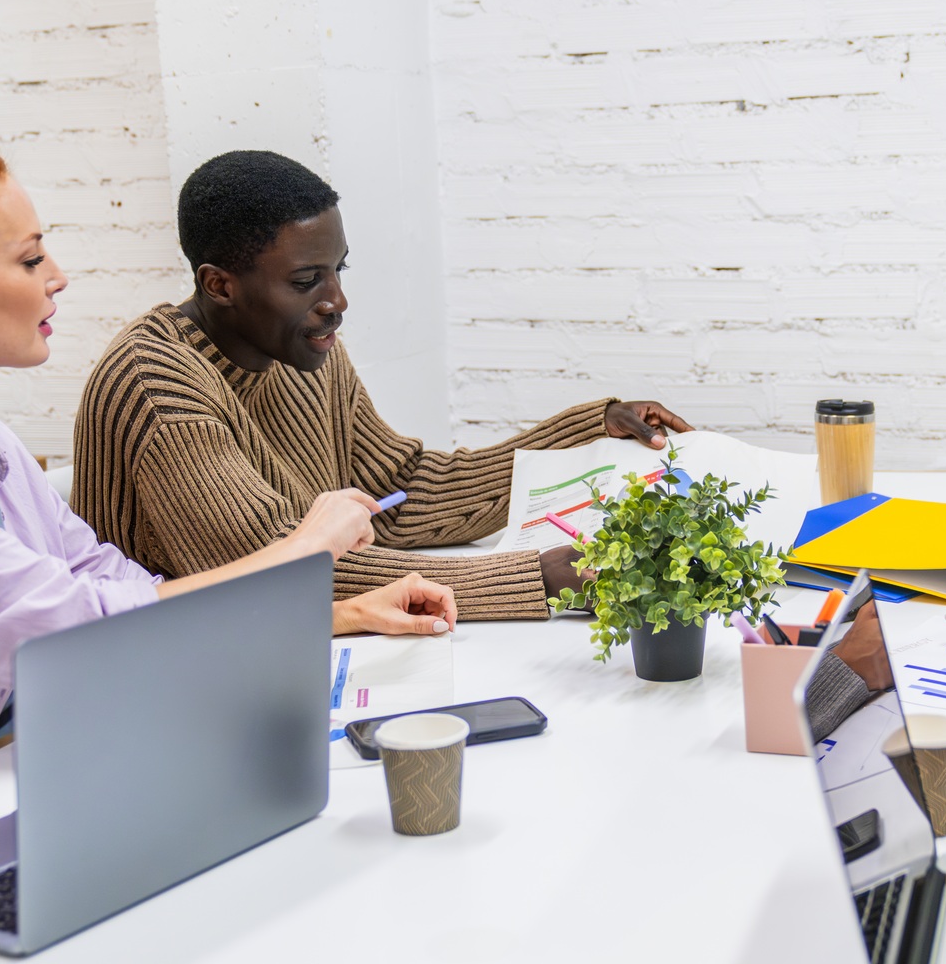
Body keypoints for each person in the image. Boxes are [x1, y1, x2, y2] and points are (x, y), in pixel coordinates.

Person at [0, 124, 456, 881]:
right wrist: (304, 548)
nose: (57, 277)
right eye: (30, 259)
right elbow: (80, 633)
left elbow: (109, 582)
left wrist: (335, 614)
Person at [72, 150, 694, 620]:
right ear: (219, 285)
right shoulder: (159, 389)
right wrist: (542, 577)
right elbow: (277, 575)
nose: (336, 301)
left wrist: (589, 432)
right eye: (306, 281)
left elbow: (398, 492)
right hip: (162, 683)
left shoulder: (303, 348)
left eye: (338, 270)